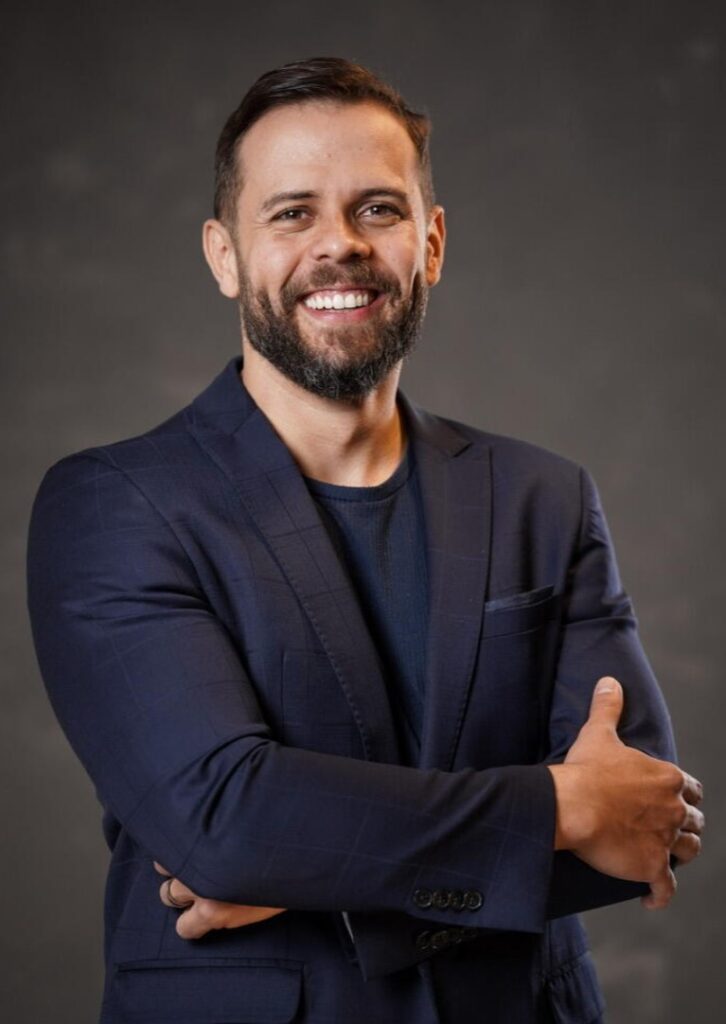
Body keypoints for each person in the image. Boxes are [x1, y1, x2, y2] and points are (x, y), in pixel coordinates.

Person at [27, 57, 704, 1024]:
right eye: (291, 213)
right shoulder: (114, 507)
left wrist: (318, 880)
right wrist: (559, 808)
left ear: (431, 243)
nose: (339, 243)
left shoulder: (543, 498)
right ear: (224, 256)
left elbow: (644, 823)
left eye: (377, 209)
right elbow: (225, 819)